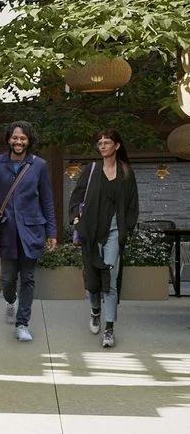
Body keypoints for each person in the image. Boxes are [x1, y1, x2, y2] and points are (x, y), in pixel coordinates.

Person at [0, 120, 56, 343]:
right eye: (15, 137)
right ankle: (10, 300)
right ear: (8, 139)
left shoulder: (39, 165)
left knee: (29, 278)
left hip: (32, 231)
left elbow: (47, 200)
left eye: (23, 138)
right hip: (7, 231)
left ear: (29, 140)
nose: (19, 141)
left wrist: (51, 232)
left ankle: (22, 323)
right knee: (9, 279)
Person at [68, 127, 139, 351]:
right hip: (90, 233)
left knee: (110, 277)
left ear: (116, 146)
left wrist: (126, 228)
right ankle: (95, 311)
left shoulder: (126, 172)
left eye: (107, 142)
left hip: (115, 232)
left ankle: (109, 328)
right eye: (100, 143)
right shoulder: (91, 170)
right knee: (92, 280)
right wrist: (77, 221)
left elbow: (132, 205)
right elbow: (76, 197)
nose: (103, 146)